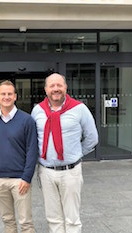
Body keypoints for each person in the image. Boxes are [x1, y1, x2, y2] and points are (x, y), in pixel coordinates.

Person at [31, 73, 98, 233]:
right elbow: (33, 139)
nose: (56, 89)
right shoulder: (37, 110)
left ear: (65, 87)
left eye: (59, 85)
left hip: (71, 172)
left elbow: (92, 137)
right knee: (53, 218)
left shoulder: (79, 109)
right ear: (46, 89)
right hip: (46, 172)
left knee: (72, 218)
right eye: (52, 86)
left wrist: (76, 154)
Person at [0, 80, 38, 233]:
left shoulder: (27, 120)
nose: (6, 97)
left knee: (26, 222)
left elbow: (32, 150)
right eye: (3, 94)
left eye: (9, 94)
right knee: (7, 221)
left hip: (20, 180)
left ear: (15, 96)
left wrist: (27, 177)